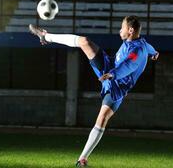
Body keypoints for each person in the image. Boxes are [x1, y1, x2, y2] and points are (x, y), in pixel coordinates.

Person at [29, 15, 159, 167]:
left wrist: (113, 74)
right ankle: (46, 36)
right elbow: (149, 48)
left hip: (116, 85)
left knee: (102, 118)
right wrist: (155, 52)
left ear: (130, 30)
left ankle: (82, 159)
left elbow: (129, 65)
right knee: (84, 41)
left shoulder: (137, 50)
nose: (119, 30)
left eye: (122, 27)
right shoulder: (141, 43)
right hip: (108, 66)